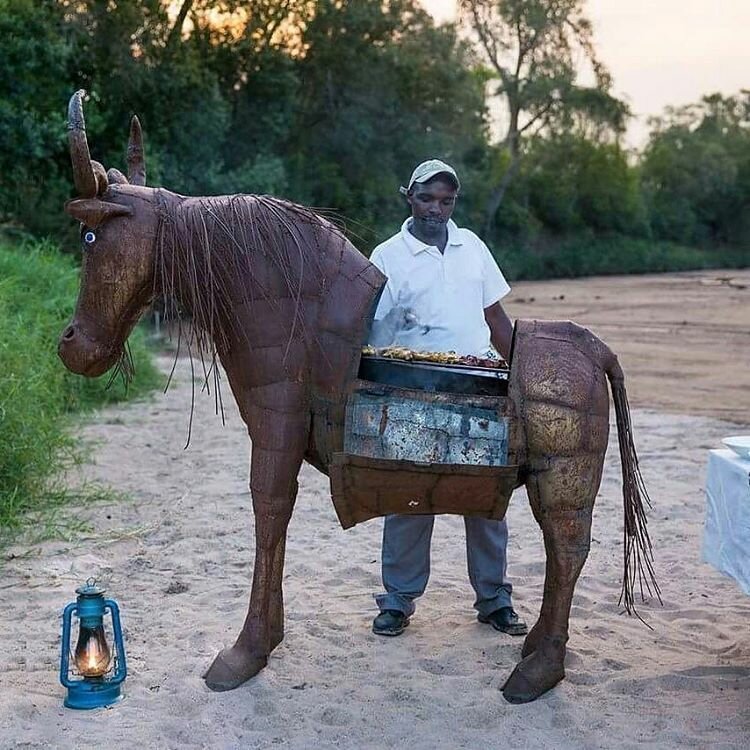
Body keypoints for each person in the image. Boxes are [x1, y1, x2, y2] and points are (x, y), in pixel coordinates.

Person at [368, 159, 527, 638]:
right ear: (408, 197)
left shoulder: (471, 247)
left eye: (446, 200)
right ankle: (397, 600)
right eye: (427, 198)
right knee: (410, 498)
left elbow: (496, 320)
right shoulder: (387, 256)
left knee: (485, 497)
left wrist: (519, 372)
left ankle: (494, 600)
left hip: (477, 386)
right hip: (411, 390)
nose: (437, 209)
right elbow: (367, 329)